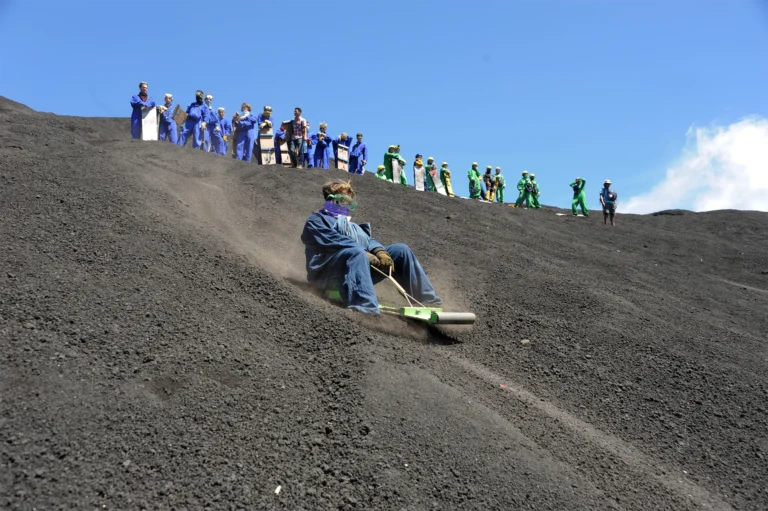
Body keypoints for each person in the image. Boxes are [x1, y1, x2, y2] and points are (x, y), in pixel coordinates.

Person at [301, 180, 441, 314]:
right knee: (356, 252)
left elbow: (368, 241)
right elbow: (334, 240)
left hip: (353, 270)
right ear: (331, 199)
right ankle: (364, 307)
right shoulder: (316, 221)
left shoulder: (352, 227)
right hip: (326, 275)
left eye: (349, 203)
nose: (345, 206)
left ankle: (426, 301)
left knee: (401, 250)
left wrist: (380, 252)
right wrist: (364, 253)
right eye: (342, 200)